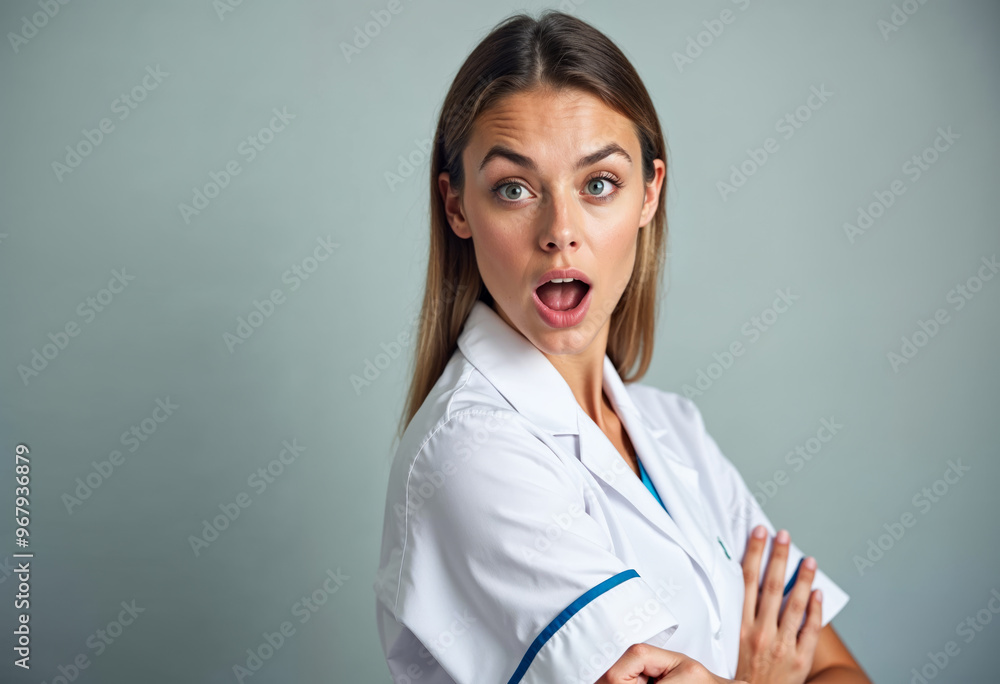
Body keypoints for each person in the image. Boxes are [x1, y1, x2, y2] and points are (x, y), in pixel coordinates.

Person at [374, 10, 871, 684]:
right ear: (458, 207)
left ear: (649, 193)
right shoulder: (470, 452)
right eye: (514, 189)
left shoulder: (674, 431)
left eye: (598, 184)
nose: (561, 231)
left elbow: (842, 669)